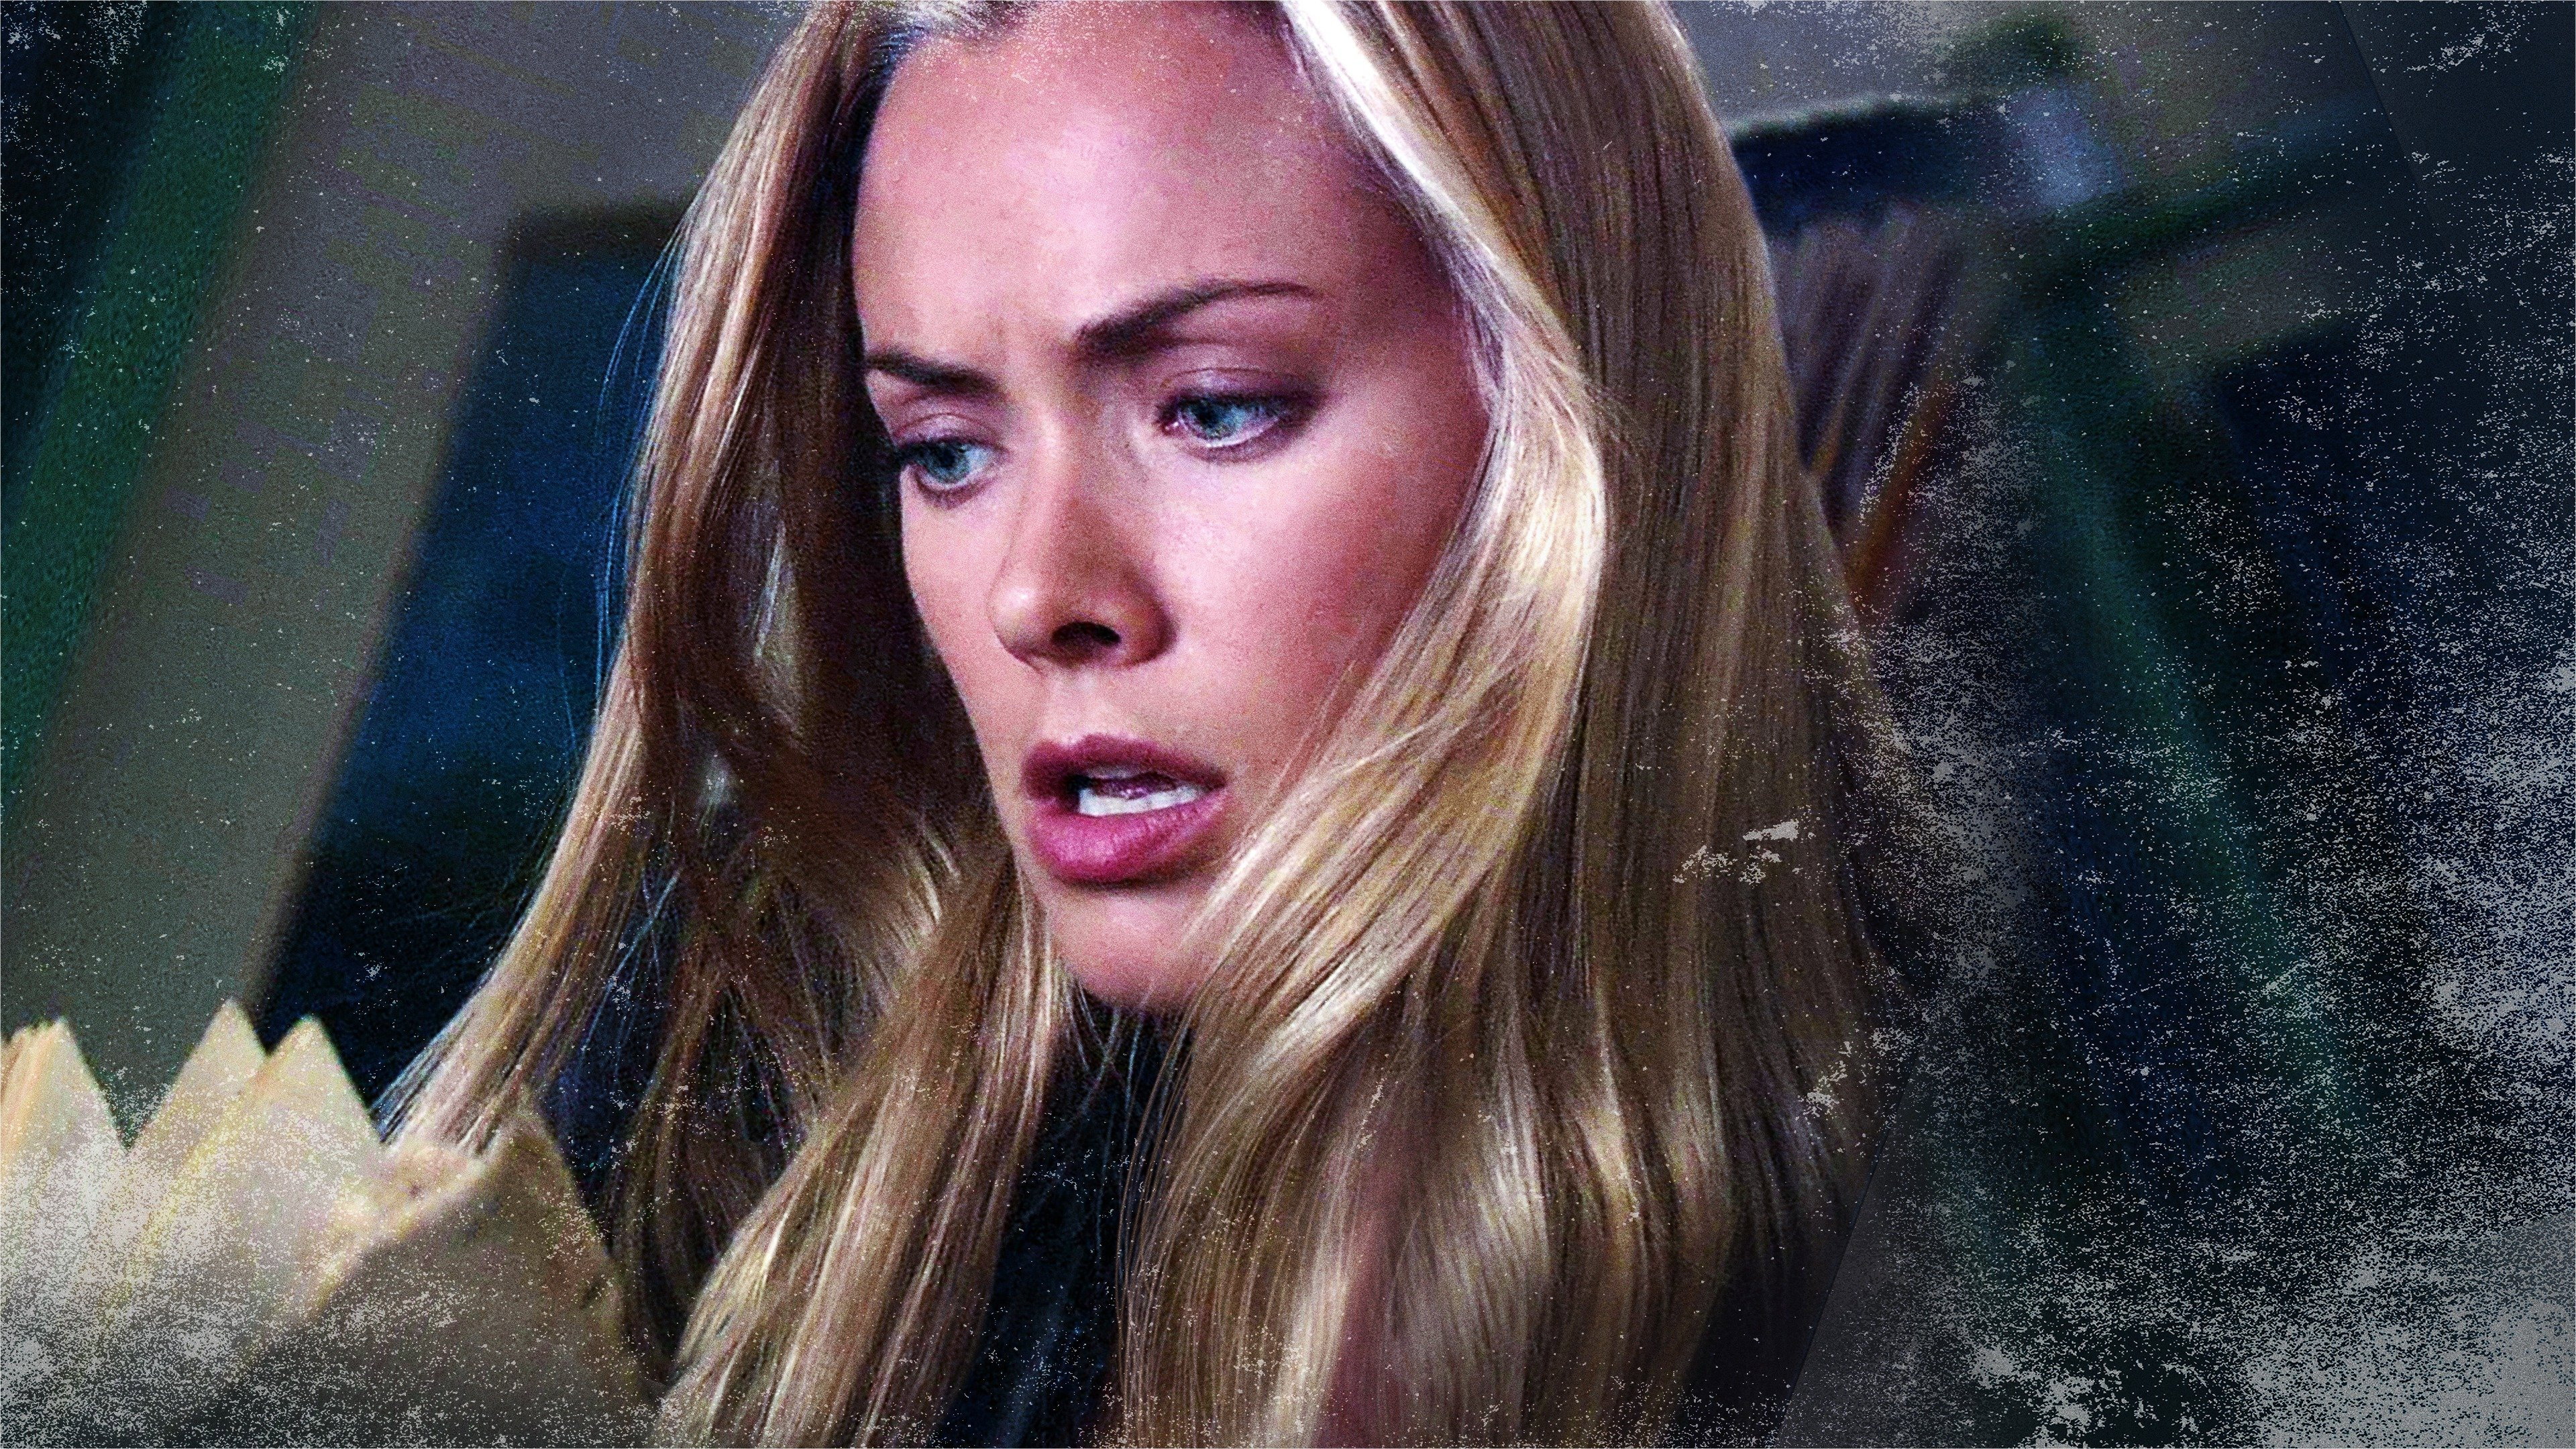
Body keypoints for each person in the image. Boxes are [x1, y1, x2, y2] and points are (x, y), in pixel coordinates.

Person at [390, 3, 1911, 1443]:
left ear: (1587, 414)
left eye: (1214, 408)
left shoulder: (1965, 1230)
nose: (1037, 595)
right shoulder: (734, 1052)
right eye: (944, 451)